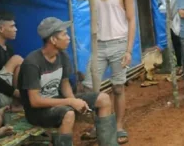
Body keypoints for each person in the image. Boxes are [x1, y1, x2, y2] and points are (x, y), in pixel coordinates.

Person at [18, 17, 118, 146]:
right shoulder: (32, 63)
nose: (68, 38)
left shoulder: (62, 56)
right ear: (53, 40)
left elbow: (64, 83)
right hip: (37, 112)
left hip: (59, 102)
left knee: (103, 99)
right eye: (64, 34)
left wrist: (74, 101)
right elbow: (35, 101)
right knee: (68, 114)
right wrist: (70, 102)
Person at [82, 0, 135, 144]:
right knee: (89, 86)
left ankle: (119, 125)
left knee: (118, 87)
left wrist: (128, 50)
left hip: (119, 44)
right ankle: (100, 124)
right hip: (99, 45)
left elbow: (131, 20)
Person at [152, 0, 182, 74]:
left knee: (183, 40)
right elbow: (162, 3)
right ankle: (179, 64)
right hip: (170, 18)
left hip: (180, 16)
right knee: (175, 42)